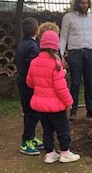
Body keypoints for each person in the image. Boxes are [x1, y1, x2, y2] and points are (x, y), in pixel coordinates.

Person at [27, 30, 80, 163]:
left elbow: (30, 82)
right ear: (56, 46)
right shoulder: (56, 64)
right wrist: (69, 102)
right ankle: (65, 153)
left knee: (47, 130)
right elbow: (61, 88)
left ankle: (50, 154)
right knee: (63, 129)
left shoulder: (34, 62)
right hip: (56, 106)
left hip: (41, 106)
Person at [59, 0, 92, 120]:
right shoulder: (68, 18)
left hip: (90, 52)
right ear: (77, 4)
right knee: (75, 81)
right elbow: (63, 36)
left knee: (89, 81)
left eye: (86, 3)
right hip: (75, 53)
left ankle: (90, 109)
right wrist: (61, 54)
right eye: (82, 3)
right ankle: (73, 111)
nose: (85, 5)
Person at [14, 17, 44, 155]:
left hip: (23, 81)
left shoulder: (22, 44)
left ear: (22, 31)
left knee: (29, 111)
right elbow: (32, 65)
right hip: (29, 83)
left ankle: (31, 137)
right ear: (37, 32)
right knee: (33, 112)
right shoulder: (33, 46)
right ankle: (25, 141)